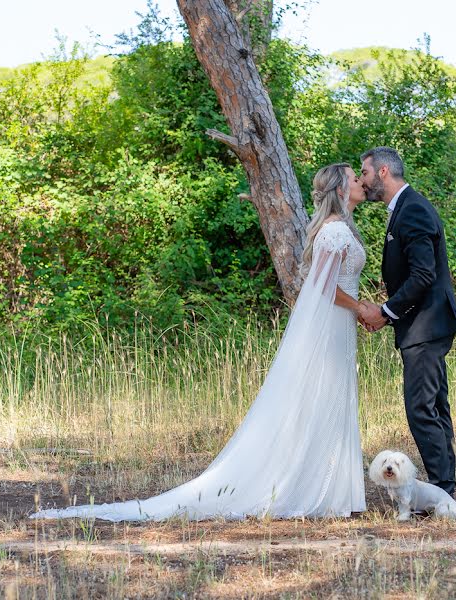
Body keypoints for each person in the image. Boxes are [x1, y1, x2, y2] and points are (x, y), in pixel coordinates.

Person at [30, 163, 367, 521]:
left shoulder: (342, 230)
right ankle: (312, 490)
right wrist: (362, 307)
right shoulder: (334, 233)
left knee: (329, 399)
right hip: (328, 324)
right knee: (316, 400)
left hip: (337, 325)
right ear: (341, 189)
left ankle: (333, 492)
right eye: (354, 178)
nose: (361, 182)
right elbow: (324, 287)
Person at [356, 147, 456, 497]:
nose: (363, 179)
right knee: (433, 405)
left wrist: (385, 311)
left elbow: (422, 275)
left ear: (384, 171)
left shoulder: (413, 209)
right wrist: (389, 317)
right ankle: (444, 487)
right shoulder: (404, 208)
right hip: (420, 324)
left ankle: (442, 490)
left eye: (366, 172)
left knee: (422, 408)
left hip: (427, 325)